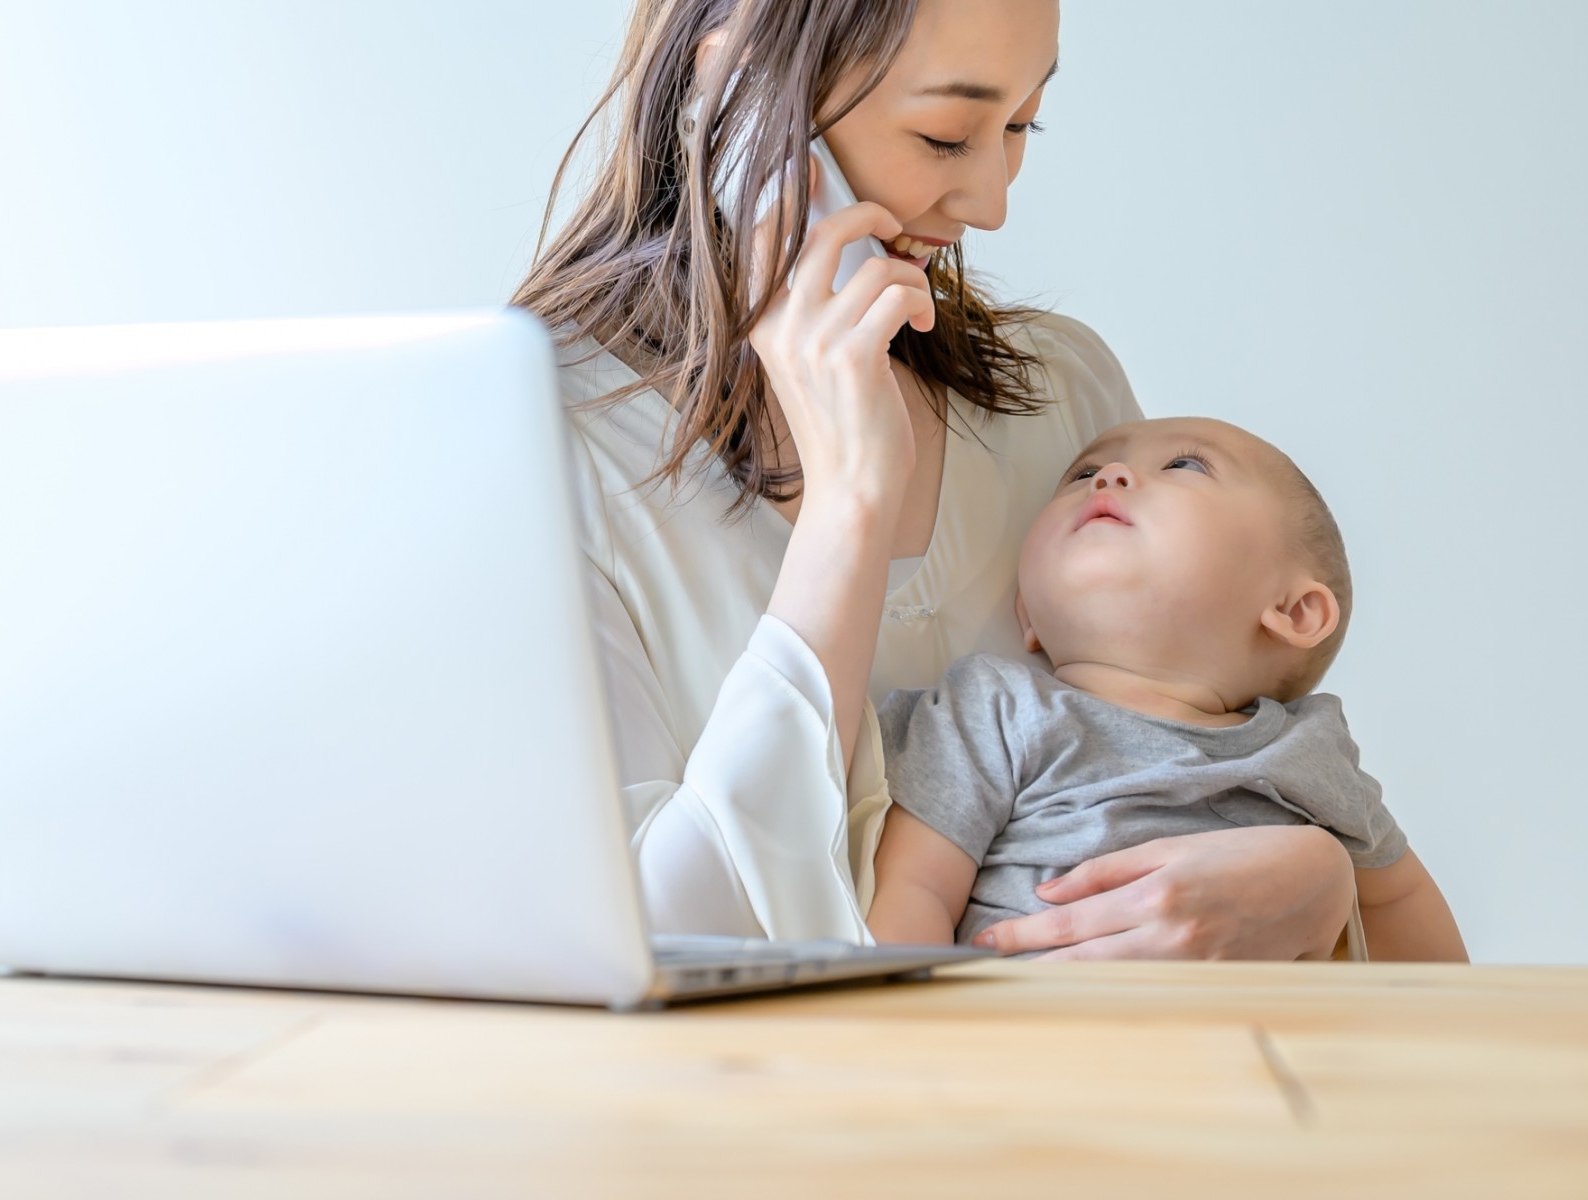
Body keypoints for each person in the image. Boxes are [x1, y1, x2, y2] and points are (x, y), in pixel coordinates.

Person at [511, 0, 1361, 957]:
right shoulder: (530, 449)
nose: (992, 202)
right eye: (946, 133)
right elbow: (651, 944)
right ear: (738, 98)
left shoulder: (1067, 403)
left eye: (1019, 125)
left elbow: (1200, 764)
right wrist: (850, 503)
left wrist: (1320, 879)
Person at [866, 417, 1468, 961]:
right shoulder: (992, 707)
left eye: (1185, 465)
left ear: (1293, 610)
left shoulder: (1312, 752)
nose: (1110, 476)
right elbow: (912, 889)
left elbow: (1397, 901)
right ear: (1028, 615)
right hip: (1037, 1054)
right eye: (1083, 473)